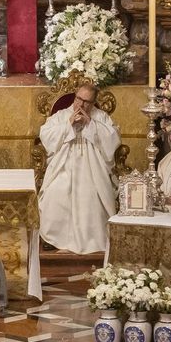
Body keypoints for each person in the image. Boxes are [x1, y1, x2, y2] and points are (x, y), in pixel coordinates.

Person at [37, 83, 120, 254]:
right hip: (63, 166)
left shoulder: (101, 118)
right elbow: (46, 135)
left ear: (93, 102)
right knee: (55, 193)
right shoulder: (61, 116)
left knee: (93, 195)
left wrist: (90, 124)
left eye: (86, 102)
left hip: (94, 168)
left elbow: (112, 140)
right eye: (78, 99)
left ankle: (93, 240)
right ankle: (53, 238)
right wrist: (68, 125)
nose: (80, 105)